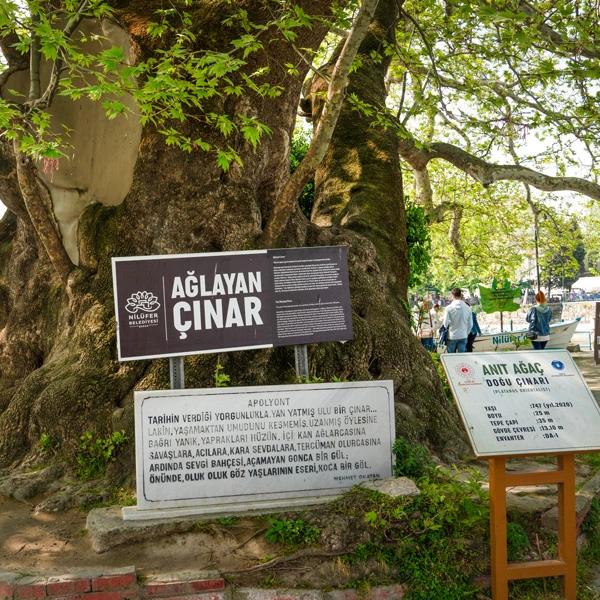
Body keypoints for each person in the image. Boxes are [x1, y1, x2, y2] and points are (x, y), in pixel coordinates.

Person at [442, 288, 473, 353]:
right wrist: (466, 333)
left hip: (452, 335)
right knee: (461, 357)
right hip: (463, 335)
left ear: (452, 295)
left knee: (451, 356)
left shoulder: (448, 308)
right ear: (461, 295)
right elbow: (470, 324)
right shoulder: (468, 308)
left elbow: (445, 323)